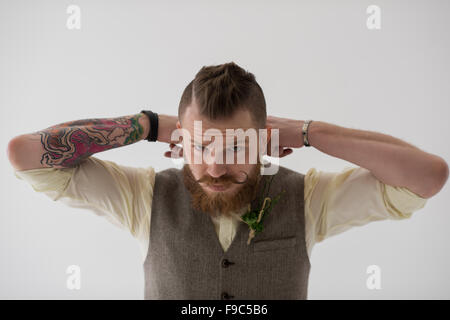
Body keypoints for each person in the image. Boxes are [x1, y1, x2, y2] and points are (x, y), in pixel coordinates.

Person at [7, 62, 448, 300]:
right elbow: (25, 154)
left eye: (236, 148)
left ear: (262, 142)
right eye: (200, 148)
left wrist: (309, 132)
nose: (215, 168)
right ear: (180, 141)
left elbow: (428, 175)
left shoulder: (309, 198)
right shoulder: (142, 196)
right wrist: (148, 125)